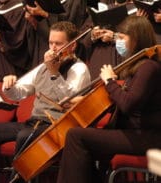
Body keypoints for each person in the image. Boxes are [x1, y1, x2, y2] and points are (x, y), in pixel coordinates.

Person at [0, 21, 91, 183]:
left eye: (59, 44)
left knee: (25, 136)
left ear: (72, 46)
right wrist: (9, 85)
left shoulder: (78, 69)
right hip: (34, 123)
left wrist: (54, 73)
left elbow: (68, 99)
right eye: (51, 43)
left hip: (58, 127)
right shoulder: (44, 66)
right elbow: (19, 93)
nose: (53, 48)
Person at [57, 15, 161, 183]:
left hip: (147, 136)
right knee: (83, 146)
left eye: (121, 38)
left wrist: (109, 81)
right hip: (134, 132)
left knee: (76, 136)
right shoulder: (137, 66)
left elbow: (128, 105)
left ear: (136, 39)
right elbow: (125, 99)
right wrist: (83, 100)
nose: (118, 42)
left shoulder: (148, 67)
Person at [25, 0, 88, 66]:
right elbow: (45, 31)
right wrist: (33, 21)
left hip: (62, 57)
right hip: (43, 52)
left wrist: (45, 14)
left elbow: (70, 28)